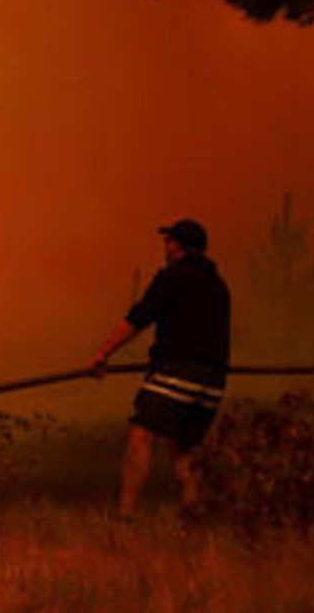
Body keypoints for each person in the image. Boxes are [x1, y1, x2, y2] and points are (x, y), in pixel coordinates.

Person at [90, 218, 231, 519]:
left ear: (178, 245)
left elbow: (139, 318)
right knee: (184, 447)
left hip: (177, 372)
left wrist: (103, 353)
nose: (165, 247)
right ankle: (192, 514)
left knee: (142, 435)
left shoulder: (173, 277)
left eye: (169, 241)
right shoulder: (219, 285)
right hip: (214, 380)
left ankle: (124, 516)